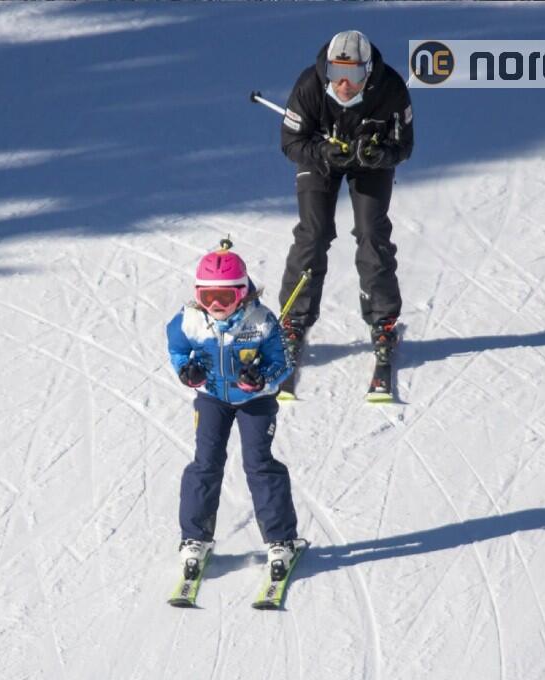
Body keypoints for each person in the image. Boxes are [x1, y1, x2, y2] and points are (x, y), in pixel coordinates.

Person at [277, 30, 415, 391]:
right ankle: (293, 320)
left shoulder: (391, 89)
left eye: (353, 75)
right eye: (336, 72)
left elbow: (404, 144)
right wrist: (322, 152)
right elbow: (291, 142)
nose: (343, 84)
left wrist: (380, 154)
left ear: (368, 72)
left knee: (371, 232)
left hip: (369, 165)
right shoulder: (310, 85)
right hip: (321, 161)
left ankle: (383, 321)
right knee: (314, 232)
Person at [165, 243, 300, 580]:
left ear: (242, 293)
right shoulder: (189, 321)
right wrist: (188, 371)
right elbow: (178, 349)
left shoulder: (262, 321)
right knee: (205, 463)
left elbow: (282, 361)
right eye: (207, 296)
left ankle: (280, 540)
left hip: (255, 401)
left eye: (225, 298)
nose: (215, 306)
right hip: (212, 398)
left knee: (258, 464)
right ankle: (195, 538)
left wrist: (263, 377)